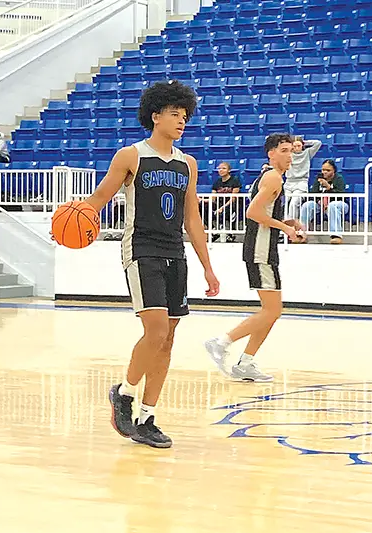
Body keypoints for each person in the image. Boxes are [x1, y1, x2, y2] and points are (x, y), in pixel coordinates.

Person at [85, 80, 220, 448]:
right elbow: (101, 196)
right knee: (156, 329)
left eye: (185, 115)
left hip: (175, 252)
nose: (181, 121)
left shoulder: (187, 163)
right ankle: (124, 394)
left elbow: (192, 219)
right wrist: (72, 219)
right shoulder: (131, 156)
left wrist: (208, 266)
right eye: (175, 114)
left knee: (168, 339)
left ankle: (146, 417)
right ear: (155, 115)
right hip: (142, 249)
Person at [205, 133, 302, 382]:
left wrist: (286, 223)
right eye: (284, 150)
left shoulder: (271, 177)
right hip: (260, 250)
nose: (290, 155)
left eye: (291, 150)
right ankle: (221, 343)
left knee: (272, 311)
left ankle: (246, 362)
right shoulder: (272, 178)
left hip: (264, 249)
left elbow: (264, 213)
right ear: (271, 153)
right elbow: (253, 212)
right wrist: (286, 229)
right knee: (272, 311)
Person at [300, 159, 347, 245]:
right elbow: (313, 193)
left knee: (333, 205)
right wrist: (318, 200)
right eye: (323, 170)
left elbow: (341, 195)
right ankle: (302, 233)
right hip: (321, 204)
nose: (325, 172)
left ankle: (336, 235)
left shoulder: (339, 178)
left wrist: (329, 188)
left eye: (328, 170)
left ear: (334, 171)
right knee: (307, 205)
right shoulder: (319, 178)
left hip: (339, 203)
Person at [284, 136, 322, 220]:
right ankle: (284, 225)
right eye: (294, 146)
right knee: (284, 202)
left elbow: (318, 143)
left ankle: (292, 225)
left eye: (299, 146)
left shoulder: (307, 153)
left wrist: (303, 142)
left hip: (301, 182)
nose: (296, 148)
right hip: (289, 182)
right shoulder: (288, 155)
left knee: (293, 203)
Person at [211, 162, 242, 242]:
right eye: (219, 168)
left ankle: (231, 233)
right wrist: (201, 200)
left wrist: (222, 208)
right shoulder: (217, 182)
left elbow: (233, 198)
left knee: (231, 208)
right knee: (203, 206)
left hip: (231, 204)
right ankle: (213, 230)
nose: (221, 170)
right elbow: (213, 198)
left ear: (229, 170)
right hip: (219, 203)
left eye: (224, 168)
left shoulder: (235, 180)